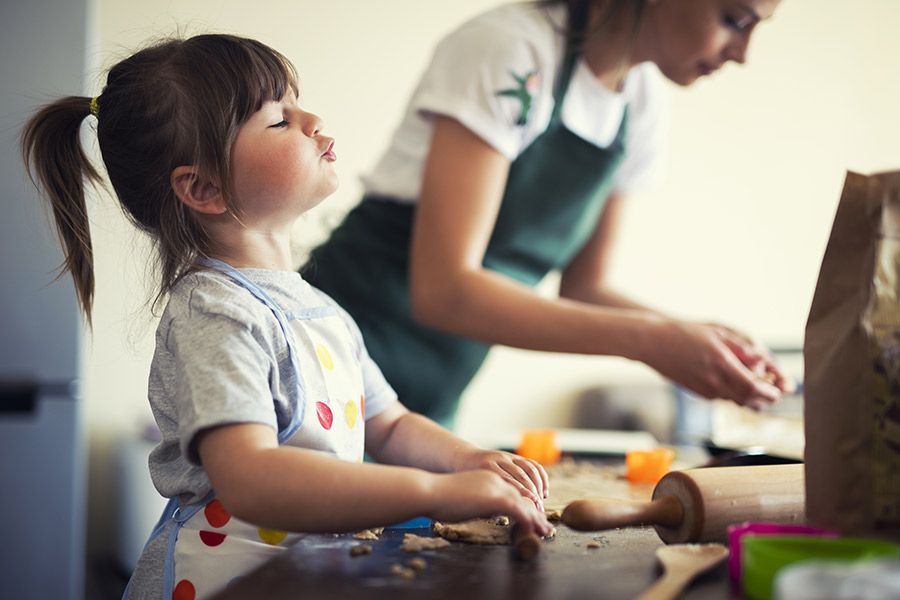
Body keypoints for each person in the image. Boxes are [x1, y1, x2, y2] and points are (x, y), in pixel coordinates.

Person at [20, 33, 551, 600]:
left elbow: (390, 425)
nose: (313, 119)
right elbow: (249, 478)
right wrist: (433, 492)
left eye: (298, 104)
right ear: (204, 187)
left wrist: (469, 459)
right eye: (279, 119)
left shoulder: (321, 308)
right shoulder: (213, 310)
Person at [301, 0, 794, 429]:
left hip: (427, 408)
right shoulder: (510, 50)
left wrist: (699, 340)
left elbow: (586, 288)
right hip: (329, 370)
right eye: (734, 18)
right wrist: (652, 341)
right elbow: (444, 291)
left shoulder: (640, 105)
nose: (743, 53)